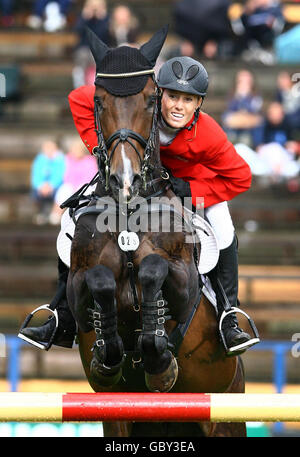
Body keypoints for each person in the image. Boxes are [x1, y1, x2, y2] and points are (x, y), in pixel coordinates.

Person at [19, 42, 259, 355]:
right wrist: (99, 149)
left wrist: (193, 190)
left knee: (223, 227)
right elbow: (78, 99)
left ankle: (229, 313)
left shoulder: (209, 133)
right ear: (158, 94)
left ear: (199, 104)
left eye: (188, 100)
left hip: (190, 189)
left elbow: (241, 176)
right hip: (132, 179)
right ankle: (61, 312)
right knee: (72, 220)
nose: (177, 106)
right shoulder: (140, 107)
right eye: (172, 96)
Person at [49, 137, 98, 224]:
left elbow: (90, 177)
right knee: (65, 189)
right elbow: (65, 175)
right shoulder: (67, 159)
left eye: (78, 149)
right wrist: (74, 186)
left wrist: (78, 187)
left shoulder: (90, 160)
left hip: (85, 186)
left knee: (85, 190)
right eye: (74, 149)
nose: (76, 151)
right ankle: (56, 213)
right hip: (71, 185)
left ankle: (83, 215)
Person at [222, 69, 264, 148]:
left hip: (249, 135)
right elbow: (227, 120)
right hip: (232, 134)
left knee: (245, 139)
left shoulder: (256, 98)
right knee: (230, 138)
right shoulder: (232, 97)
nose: (244, 84)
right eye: (241, 81)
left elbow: (257, 120)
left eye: (247, 81)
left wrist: (241, 120)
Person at [72, 0, 110, 88]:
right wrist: (85, 18)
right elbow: (78, 31)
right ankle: (79, 84)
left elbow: (104, 34)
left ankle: (98, 84)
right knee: (83, 55)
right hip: (84, 48)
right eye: (92, 6)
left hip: (101, 48)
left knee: (97, 57)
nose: (94, 9)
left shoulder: (106, 18)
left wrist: (102, 19)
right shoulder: (83, 18)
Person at [31, 139, 65, 225]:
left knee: (61, 193)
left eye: (51, 148)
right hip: (41, 188)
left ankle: (54, 214)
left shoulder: (60, 160)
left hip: (56, 187)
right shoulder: (39, 160)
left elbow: (60, 175)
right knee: (35, 193)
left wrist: (51, 185)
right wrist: (40, 186)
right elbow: (35, 176)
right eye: (46, 148)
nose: (49, 151)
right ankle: (41, 213)